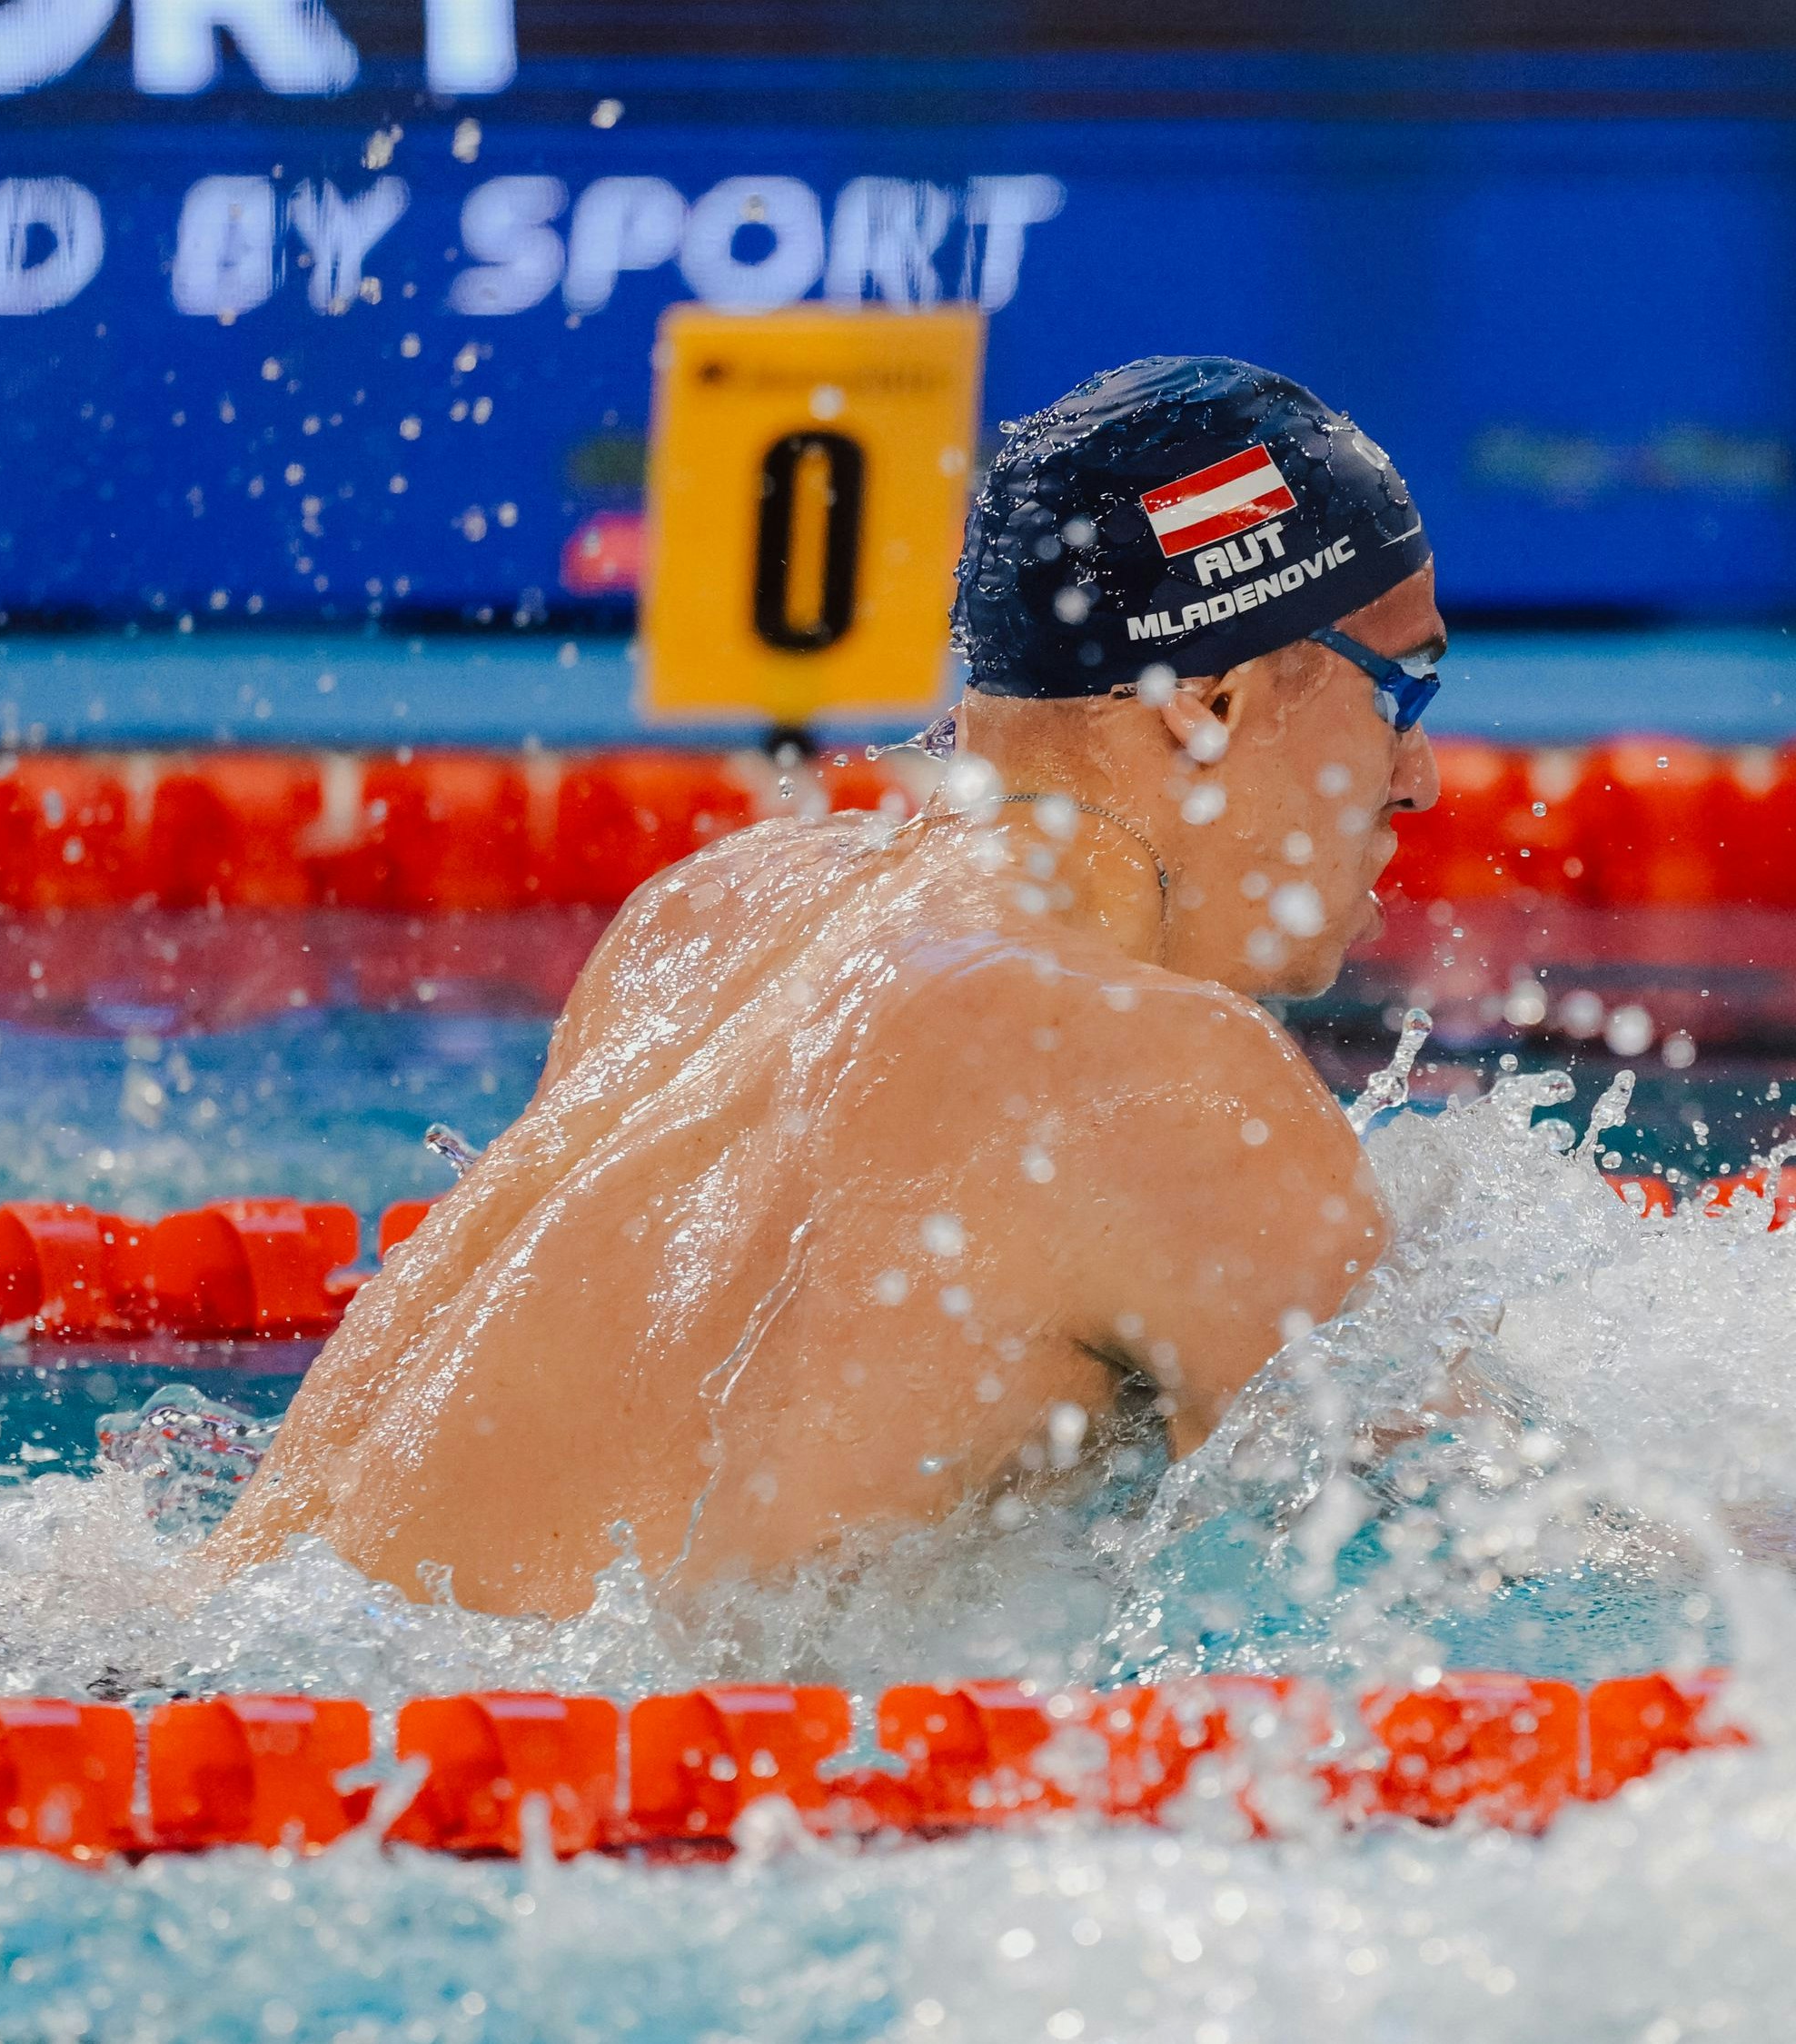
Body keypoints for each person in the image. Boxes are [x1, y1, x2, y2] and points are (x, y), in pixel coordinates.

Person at [210, 357, 1445, 1616]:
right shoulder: (1175, 1081)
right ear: (1210, 700)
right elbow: (1446, 1574)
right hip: (483, 1782)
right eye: (1404, 692)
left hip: (209, 1690)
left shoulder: (708, 911)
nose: (1422, 777)